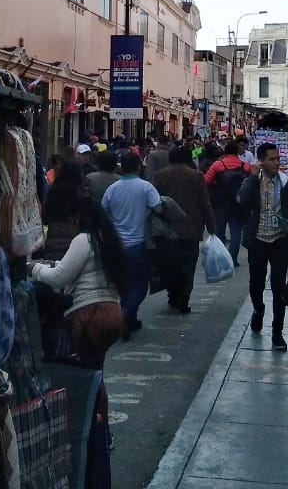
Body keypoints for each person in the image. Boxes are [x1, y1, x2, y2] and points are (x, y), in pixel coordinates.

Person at [30, 174, 127, 366]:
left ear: (78, 218)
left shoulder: (84, 239)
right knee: (95, 372)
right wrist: (54, 265)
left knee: (82, 376)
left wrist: (34, 269)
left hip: (90, 315)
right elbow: (78, 268)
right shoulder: (107, 239)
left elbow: (59, 278)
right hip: (113, 313)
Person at [236, 142, 288, 351]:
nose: (276, 163)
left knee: (279, 287)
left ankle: (277, 332)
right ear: (261, 161)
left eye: (278, 159)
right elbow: (241, 201)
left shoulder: (286, 182)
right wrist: (253, 177)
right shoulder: (253, 181)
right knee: (256, 284)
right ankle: (259, 309)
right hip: (258, 240)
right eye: (271, 159)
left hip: (279, 240)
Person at [102, 151, 163, 337]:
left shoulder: (113, 188)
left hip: (117, 245)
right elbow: (159, 209)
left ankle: (130, 319)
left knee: (125, 284)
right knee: (140, 285)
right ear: (138, 166)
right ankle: (125, 314)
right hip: (138, 243)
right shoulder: (146, 187)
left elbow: (103, 211)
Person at [151, 146, 216, 313]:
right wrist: (212, 226)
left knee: (169, 263)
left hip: (166, 228)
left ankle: (173, 294)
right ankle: (184, 298)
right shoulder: (196, 176)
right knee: (188, 264)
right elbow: (205, 203)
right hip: (190, 227)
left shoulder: (159, 175)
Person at [204, 141, 248, 266]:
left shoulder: (217, 165)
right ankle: (233, 259)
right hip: (238, 203)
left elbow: (206, 181)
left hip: (220, 202)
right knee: (236, 232)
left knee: (219, 231)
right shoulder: (245, 166)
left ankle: (221, 258)